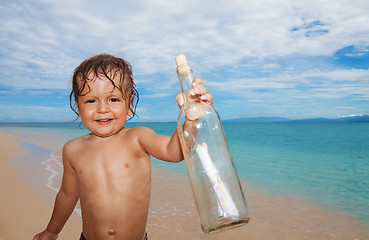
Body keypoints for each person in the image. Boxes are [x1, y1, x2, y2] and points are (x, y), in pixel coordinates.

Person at [33, 53, 213, 240]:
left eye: (113, 99)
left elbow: (174, 151)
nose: (103, 109)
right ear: (78, 107)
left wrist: (191, 118)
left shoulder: (138, 138)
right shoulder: (72, 149)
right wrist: (51, 231)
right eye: (91, 101)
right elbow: (67, 196)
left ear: (129, 104)